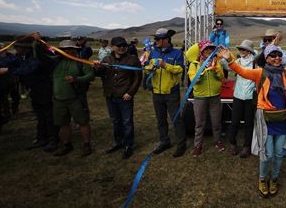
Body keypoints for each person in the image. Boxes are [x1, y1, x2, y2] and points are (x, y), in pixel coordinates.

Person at [220, 43, 286, 198]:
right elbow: (243, 72)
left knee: (279, 153)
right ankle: (262, 179)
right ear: (266, 58)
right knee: (267, 154)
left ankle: (273, 179)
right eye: (273, 55)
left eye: (279, 55)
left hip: (281, 120)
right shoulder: (260, 73)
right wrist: (231, 61)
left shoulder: (285, 72)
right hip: (265, 120)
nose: (277, 58)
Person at [37, 37, 95, 157]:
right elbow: (40, 56)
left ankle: (87, 145)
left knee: (83, 122)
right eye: (66, 49)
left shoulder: (81, 62)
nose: (69, 51)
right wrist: (37, 43)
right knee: (63, 124)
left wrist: (77, 79)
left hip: (76, 98)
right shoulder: (54, 62)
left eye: (71, 49)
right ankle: (67, 145)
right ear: (60, 50)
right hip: (58, 99)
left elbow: (90, 75)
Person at [0, 37, 59, 151]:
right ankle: (42, 138)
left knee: (48, 115)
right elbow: (6, 62)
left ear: (25, 47)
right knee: (40, 115)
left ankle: (53, 140)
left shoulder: (37, 57)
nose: (15, 49)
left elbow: (27, 70)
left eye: (17, 47)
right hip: (34, 89)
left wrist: (8, 71)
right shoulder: (22, 56)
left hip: (44, 89)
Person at [94, 37, 142, 159]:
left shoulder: (132, 59)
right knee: (116, 121)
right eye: (118, 45)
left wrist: (130, 93)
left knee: (127, 122)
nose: (121, 48)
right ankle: (118, 142)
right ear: (112, 46)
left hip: (124, 96)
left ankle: (128, 145)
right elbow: (99, 74)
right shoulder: (107, 59)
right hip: (110, 95)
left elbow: (137, 77)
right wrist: (96, 68)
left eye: (123, 46)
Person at [145, 28, 187, 157]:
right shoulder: (152, 53)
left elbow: (180, 69)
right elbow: (146, 68)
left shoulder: (177, 53)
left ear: (166, 40)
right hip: (156, 92)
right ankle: (164, 142)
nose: (155, 41)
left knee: (176, 119)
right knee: (160, 120)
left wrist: (165, 66)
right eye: (155, 39)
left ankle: (181, 144)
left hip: (171, 92)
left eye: (157, 39)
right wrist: (149, 69)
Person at [189, 40, 225, 157]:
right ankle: (197, 146)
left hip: (215, 96)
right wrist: (203, 70)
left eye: (211, 49)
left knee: (216, 122)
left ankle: (217, 142)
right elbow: (194, 80)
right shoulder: (194, 64)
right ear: (202, 51)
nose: (209, 51)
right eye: (206, 49)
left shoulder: (217, 62)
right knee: (199, 123)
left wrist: (216, 69)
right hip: (200, 97)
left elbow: (221, 77)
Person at [223, 39, 257, 157]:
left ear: (249, 51)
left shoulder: (256, 62)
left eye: (244, 49)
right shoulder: (237, 61)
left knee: (249, 122)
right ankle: (232, 143)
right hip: (237, 95)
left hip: (250, 97)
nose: (242, 51)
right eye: (240, 49)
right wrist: (223, 56)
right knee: (235, 121)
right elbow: (226, 66)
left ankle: (247, 146)